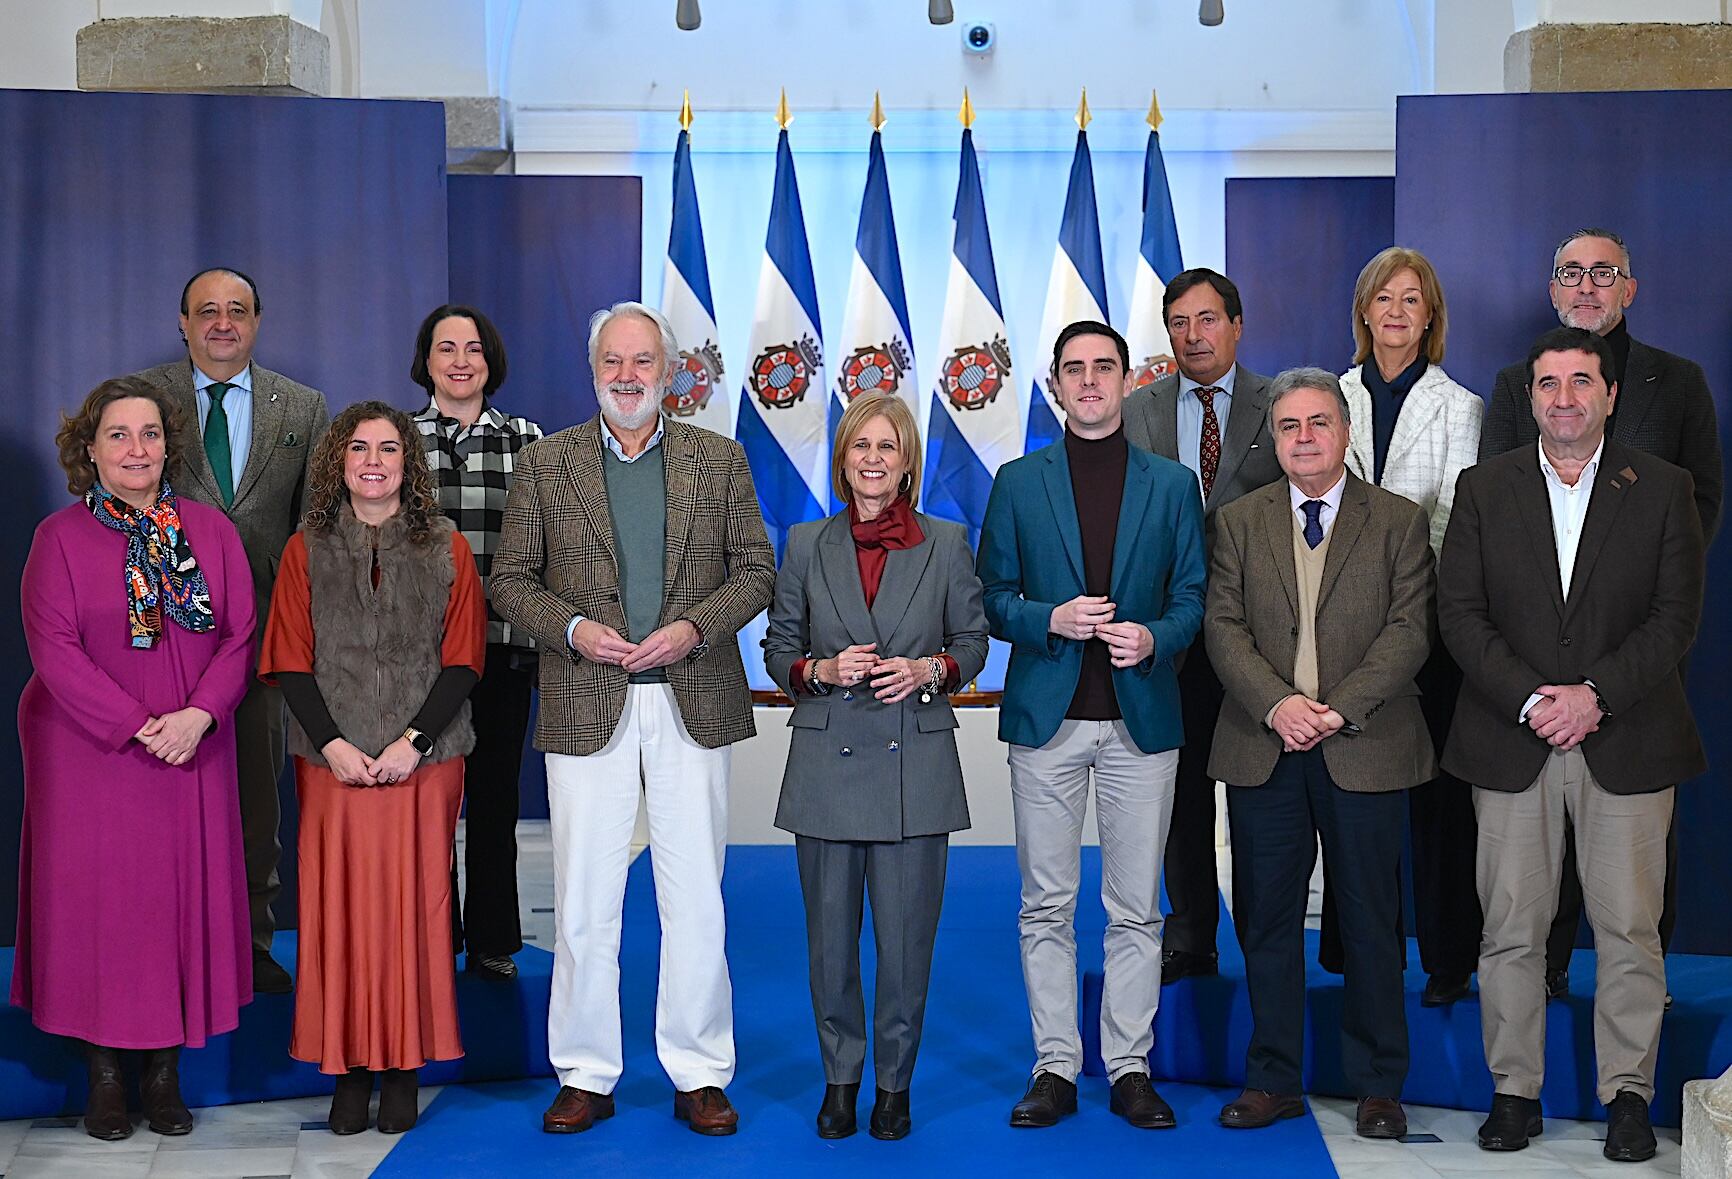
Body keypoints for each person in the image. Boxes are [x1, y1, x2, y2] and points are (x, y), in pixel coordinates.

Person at [491, 302, 775, 1138]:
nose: (627, 376)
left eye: (643, 362)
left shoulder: (719, 461)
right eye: (613, 361)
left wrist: (694, 627)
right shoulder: (546, 464)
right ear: (593, 371)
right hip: (587, 691)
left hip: (693, 690)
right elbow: (510, 581)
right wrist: (575, 629)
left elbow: (756, 569)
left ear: (669, 371)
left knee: (696, 896)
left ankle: (698, 1070)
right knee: (583, 896)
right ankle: (585, 1070)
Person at [1440, 327, 1704, 1163]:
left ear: (1610, 393)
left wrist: (1594, 697)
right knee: (1511, 928)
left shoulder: (1663, 488)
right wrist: (1531, 699)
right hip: (1510, 738)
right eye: (1548, 383)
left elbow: (1675, 618)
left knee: (1629, 928)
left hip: (1625, 737)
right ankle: (1514, 1092)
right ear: (1529, 396)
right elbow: (1460, 614)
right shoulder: (1483, 488)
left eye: (1580, 381)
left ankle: (1628, 1095)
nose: (1563, 398)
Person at [1479, 229, 1720, 1000]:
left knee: (1635, 887)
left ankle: (1640, 1028)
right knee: (1521, 894)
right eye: (1571, 273)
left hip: (1634, 659)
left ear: (1629, 288)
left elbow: (1701, 505)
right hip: (1529, 674)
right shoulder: (1518, 381)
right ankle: (1546, 972)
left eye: (1603, 273)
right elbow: (1494, 517)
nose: (1587, 285)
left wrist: (1625, 625)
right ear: (1552, 289)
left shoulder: (1677, 381)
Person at [977, 320, 1206, 1130]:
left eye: (1103, 367)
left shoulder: (1173, 484)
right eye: (1073, 369)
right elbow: (992, 596)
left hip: (1142, 719)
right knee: (1046, 903)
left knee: (1137, 907)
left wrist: (1154, 637)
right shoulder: (1017, 479)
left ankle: (1130, 1066)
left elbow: (1193, 599)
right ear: (1054, 384)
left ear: (1126, 379)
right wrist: (1051, 617)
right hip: (1048, 719)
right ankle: (1055, 1066)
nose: (1088, 381)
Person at [14, 377, 256, 1140]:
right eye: (118, 435)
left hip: (192, 748)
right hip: (90, 752)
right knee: (99, 911)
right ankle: (106, 1075)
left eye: (149, 433)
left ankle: (163, 1072)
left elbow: (239, 636)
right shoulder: (57, 538)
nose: (136, 449)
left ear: (168, 446)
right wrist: (137, 723)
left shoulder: (212, 532)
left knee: (170, 907)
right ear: (89, 449)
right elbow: (52, 648)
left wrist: (197, 716)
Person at [1205, 368, 1433, 1140]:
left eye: (1319, 424)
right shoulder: (1238, 521)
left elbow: (1410, 630)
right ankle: (1272, 1078)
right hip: (1264, 744)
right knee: (1266, 921)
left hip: (1364, 743)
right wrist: (1277, 703)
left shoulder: (1398, 521)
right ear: (1273, 438)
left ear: (1345, 432)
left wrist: (1338, 708)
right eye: (1290, 426)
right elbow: (1223, 629)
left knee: (1371, 918)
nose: (1304, 438)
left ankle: (1378, 1085)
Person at [764, 392, 989, 1142]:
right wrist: (821, 668)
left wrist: (930, 667)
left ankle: (894, 1084)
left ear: (908, 461)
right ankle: (840, 1079)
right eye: (860, 445)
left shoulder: (948, 543)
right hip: (828, 761)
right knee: (830, 942)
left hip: (913, 763)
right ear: (842, 458)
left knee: (905, 943)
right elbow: (777, 648)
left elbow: (974, 642)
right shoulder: (804, 542)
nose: (872, 459)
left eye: (887, 447)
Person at [258, 402, 487, 1135]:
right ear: (339, 462)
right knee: (338, 913)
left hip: (423, 762)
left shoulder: (448, 547)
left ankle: (403, 1069)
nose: (374, 460)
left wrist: (411, 742)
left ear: (407, 463)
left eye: (389, 448)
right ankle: (348, 1070)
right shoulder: (305, 547)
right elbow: (289, 658)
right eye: (359, 447)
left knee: (417, 912)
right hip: (334, 763)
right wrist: (332, 744)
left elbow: (464, 659)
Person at [133, 267, 332, 994]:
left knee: (255, 796)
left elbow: (314, 529)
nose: (223, 322)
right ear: (182, 323)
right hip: (157, 642)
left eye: (237, 310)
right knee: (160, 797)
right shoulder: (143, 399)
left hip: (260, 644)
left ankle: (251, 940)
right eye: (207, 311)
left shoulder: (302, 408)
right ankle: (164, 942)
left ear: (257, 321)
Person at [1319, 247, 1484, 1007]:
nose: (1395, 311)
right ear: (1363, 310)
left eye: (1411, 299)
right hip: (1338, 630)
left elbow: (1453, 518)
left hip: (1431, 630)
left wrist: (1406, 602)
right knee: (1355, 801)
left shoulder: (1461, 405)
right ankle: (1357, 950)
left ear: (1430, 317)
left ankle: (1449, 959)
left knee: (1438, 805)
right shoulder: (1331, 395)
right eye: (1382, 297)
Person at [1122, 267, 1280, 987]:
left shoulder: (1281, 404)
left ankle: (1263, 941)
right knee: (1178, 797)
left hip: (1258, 639)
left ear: (1237, 324)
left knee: (1255, 800)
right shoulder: (1138, 410)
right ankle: (1188, 938)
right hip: (1171, 639)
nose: (1194, 335)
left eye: (1208, 319)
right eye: (1180, 322)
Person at [409, 304, 545, 982]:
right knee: (430, 800)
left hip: (501, 647)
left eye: (473, 349)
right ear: (425, 360)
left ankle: (492, 937)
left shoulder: (527, 439)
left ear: (491, 361)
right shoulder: (396, 439)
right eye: (446, 348)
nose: (460, 360)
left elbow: (550, 545)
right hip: (420, 658)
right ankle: (434, 931)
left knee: (493, 799)